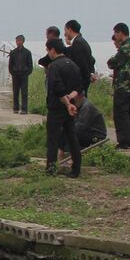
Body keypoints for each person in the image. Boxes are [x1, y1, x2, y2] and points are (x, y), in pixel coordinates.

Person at [43, 38, 83, 177]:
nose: (47, 53)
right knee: (72, 137)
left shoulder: (54, 66)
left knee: (53, 139)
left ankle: (51, 170)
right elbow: (79, 87)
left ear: (53, 50)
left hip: (57, 107)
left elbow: (57, 88)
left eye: (47, 50)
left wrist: (66, 103)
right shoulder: (73, 65)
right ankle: (76, 169)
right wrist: (71, 99)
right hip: (70, 107)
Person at [106, 22, 130, 149]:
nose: (115, 35)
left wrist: (111, 59)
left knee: (121, 114)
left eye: (116, 33)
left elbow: (112, 63)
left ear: (120, 33)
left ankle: (123, 141)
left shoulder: (125, 48)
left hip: (122, 85)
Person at [63, 20, 96, 96]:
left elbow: (80, 64)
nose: (65, 34)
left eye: (65, 30)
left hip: (80, 82)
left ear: (70, 29)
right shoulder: (81, 41)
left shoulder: (78, 43)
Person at [7, 34, 33, 114]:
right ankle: (16, 108)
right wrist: (12, 73)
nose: (18, 42)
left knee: (24, 92)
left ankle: (24, 109)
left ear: (23, 41)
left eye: (19, 40)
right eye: (17, 41)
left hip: (24, 74)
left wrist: (27, 73)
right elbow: (10, 65)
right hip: (15, 74)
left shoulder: (27, 52)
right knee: (15, 92)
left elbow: (30, 65)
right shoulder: (13, 52)